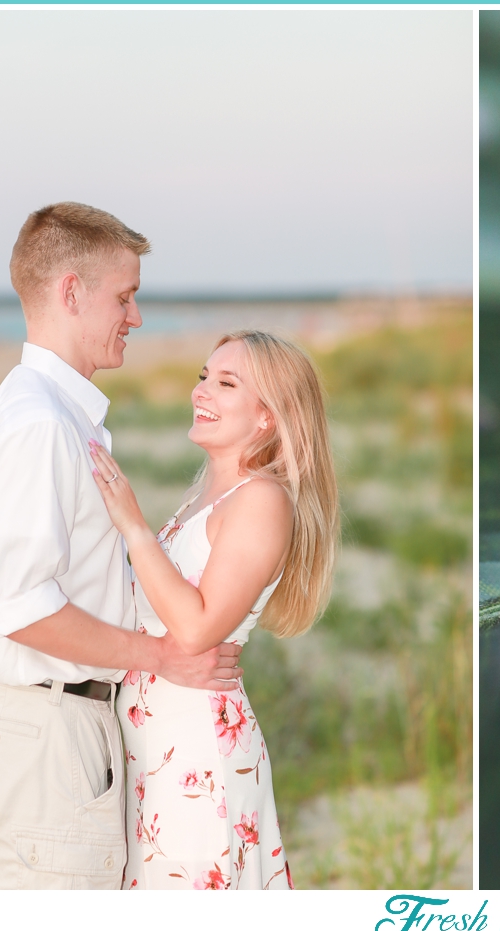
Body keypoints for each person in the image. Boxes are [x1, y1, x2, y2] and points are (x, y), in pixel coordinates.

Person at [0, 202, 245, 889]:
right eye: (125, 296)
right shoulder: (41, 422)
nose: (135, 317)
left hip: (53, 721)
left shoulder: (48, 411)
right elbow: (19, 606)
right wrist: (162, 656)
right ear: (70, 292)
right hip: (47, 723)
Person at [88, 328, 339, 890]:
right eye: (204, 376)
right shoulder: (207, 496)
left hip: (195, 750)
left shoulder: (263, 500)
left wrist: (132, 525)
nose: (202, 390)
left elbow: (198, 627)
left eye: (226, 383)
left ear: (267, 417)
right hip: (156, 741)